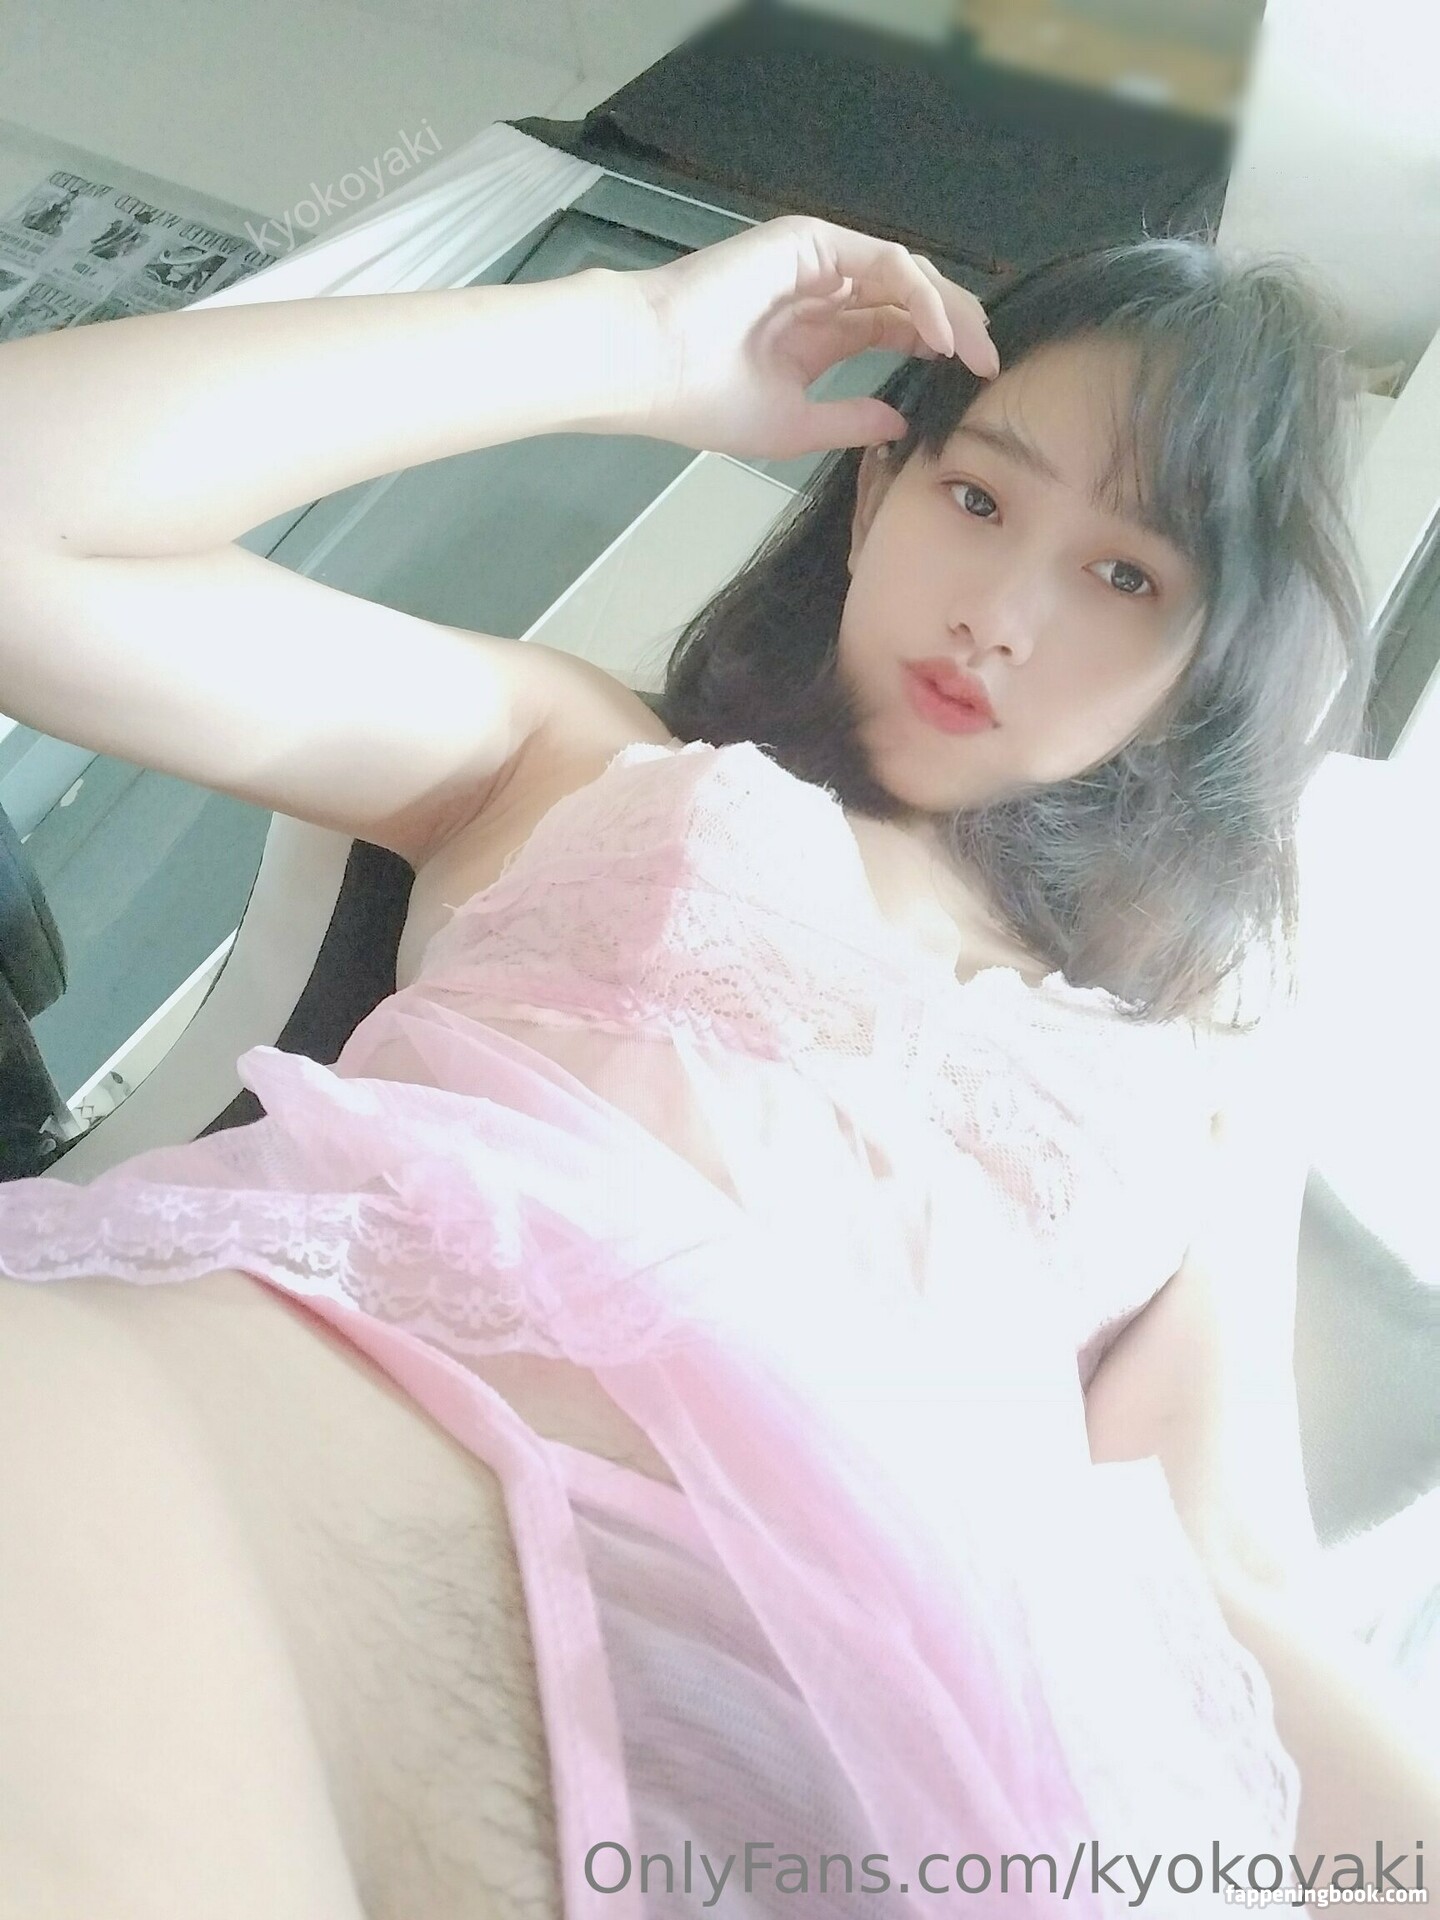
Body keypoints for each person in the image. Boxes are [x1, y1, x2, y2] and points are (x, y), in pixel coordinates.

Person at [0, 214, 1435, 1920]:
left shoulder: (1195, 1081)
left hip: (846, 1761)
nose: (997, 617)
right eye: (978, 498)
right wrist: (628, 339)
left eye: (1128, 577)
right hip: (287, 1480)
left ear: (1208, 668)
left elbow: (1231, 1574)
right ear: (873, 496)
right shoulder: (575, 755)